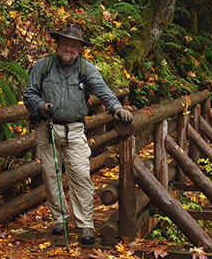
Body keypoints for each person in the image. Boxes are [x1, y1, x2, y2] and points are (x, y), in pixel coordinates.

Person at [23, 24, 133, 244]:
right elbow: (29, 94)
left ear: (79, 49)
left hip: (74, 129)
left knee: (81, 175)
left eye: (73, 46)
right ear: (58, 44)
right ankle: (59, 220)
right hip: (48, 129)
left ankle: (85, 225)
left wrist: (116, 108)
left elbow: (102, 90)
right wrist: (42, 106)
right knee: (50, 175)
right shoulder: (43, 66)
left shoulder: (86, 69)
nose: (68, 49)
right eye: (65, 44)